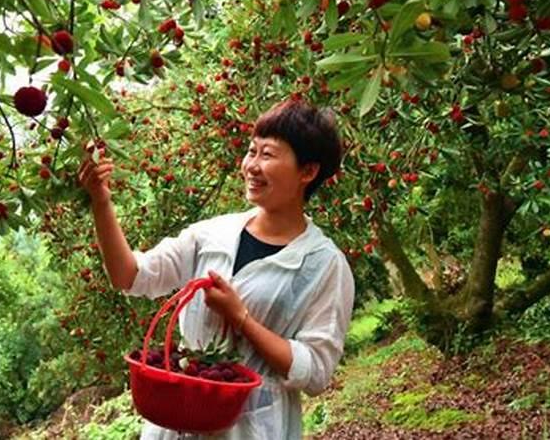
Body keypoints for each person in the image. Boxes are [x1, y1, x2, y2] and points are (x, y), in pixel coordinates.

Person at [78, 97, 355, 439]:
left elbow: (315, 371)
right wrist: (101, 202)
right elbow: (129, 275)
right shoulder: (212, 234)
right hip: (177, 418)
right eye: (251, 151)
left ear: (308, 172)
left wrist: (242, 320)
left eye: (267, 154)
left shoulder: (323, 265)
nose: (251, 165)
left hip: (255, 428)